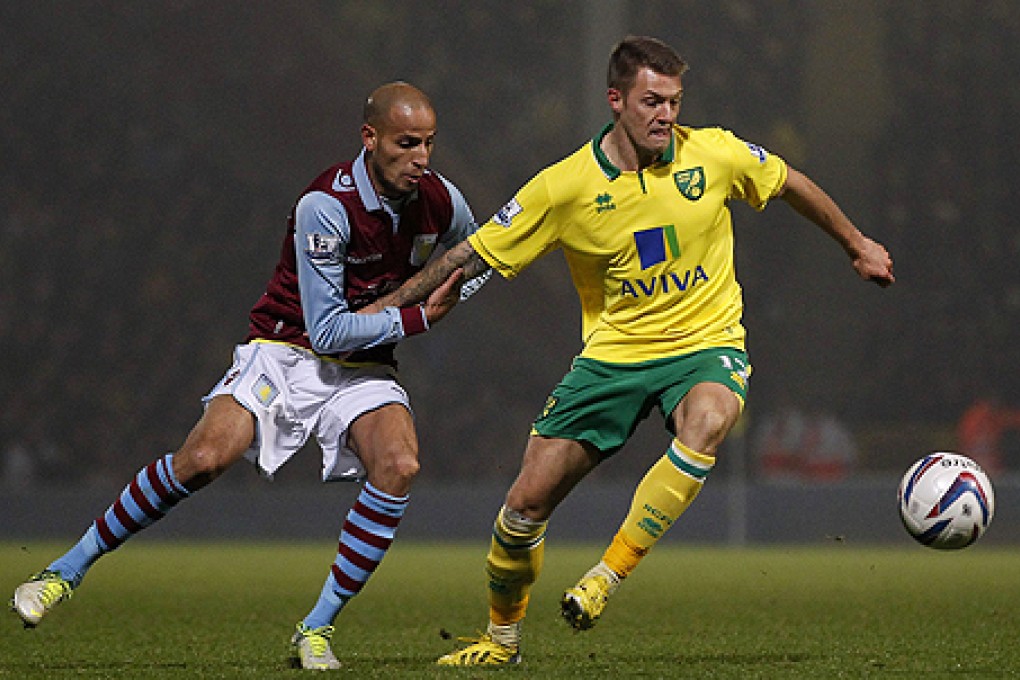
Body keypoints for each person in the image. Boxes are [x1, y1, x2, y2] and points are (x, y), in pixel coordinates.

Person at [366, 36, 895, 666]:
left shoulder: (714, 153)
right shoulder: (564, 188)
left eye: (673, 101)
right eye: (651, 101)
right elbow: (471, 251)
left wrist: (856, 243)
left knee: (707, 422)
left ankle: (605, 577)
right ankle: (500, 641)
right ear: (616, 100)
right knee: (523, 506)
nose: (665, 115)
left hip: (706, 344)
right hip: (612, 358)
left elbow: (790, 183)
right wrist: (383, 308)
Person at [10, 81, 482, 670]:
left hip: (366, 367)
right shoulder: (326, 205)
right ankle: (64, 572)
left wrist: (455, 293)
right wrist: (418, 317)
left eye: (430, 144)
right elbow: (328, 333)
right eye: (407, 143)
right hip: (287, 349)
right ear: (370, 138)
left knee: (400, 465)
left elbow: (475, 251)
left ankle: (316, 628)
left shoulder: (440, 200)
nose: (421, 159)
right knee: (205, 458)